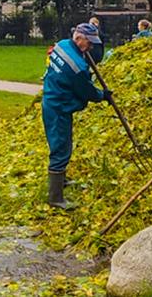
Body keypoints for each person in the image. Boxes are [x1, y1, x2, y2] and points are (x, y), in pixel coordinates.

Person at [42, 23, 112, 209]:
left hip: (52, 99)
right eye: (88, 43)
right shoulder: (78, 68)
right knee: (61, 147)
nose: (90, 48)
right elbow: (86, 91)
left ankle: (62, 181)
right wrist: (102, 95)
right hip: (59, 107)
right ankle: (55, 199)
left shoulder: (63, 44)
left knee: (64, 141)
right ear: (78, 38)